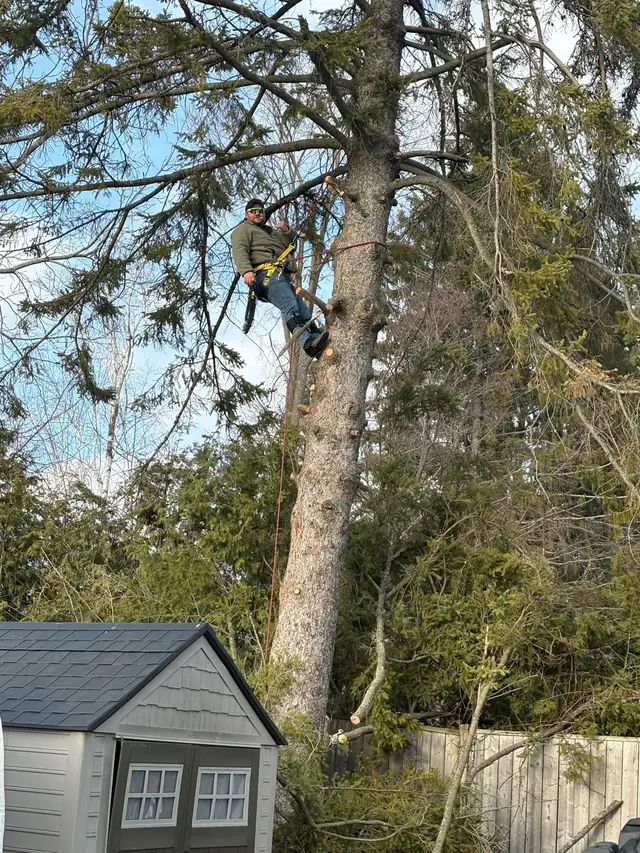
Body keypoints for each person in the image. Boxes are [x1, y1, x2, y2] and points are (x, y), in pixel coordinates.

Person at [231, 198, 329, 358]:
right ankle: (308, 343)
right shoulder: (243, 230)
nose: (258, 214)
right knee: (290, 307)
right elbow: (239, 250)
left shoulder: (270, 232)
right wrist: (246, 271)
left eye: (260, 211)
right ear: (246, 215)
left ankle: (316, 337)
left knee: (303, 311)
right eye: (253, 211)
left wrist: (286, 230)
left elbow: (291, 245)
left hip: (281, 275)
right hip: (265, 275)